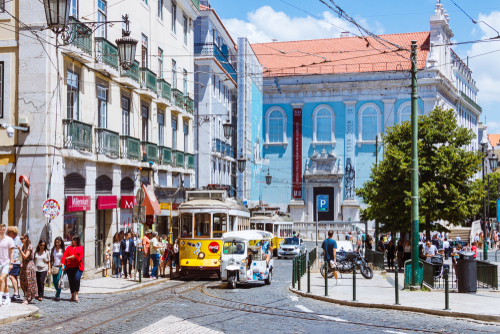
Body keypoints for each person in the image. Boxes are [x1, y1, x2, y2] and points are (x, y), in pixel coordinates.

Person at [61, 236, 84, 302]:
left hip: (78, 267)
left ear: (77, 241)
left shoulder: (80, 247)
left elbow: (77, 256)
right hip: (70, 267)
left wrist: (68, 258)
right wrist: (62, 264)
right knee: (71, 281)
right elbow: (64, 256)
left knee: (76, 279)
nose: (72, 241)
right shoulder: (69, 248)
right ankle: (72, 295)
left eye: (73, 240)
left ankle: (76, 293)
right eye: (71, 240)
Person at [18, 234, 36, 305]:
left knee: (28, 281)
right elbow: (23, 257)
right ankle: (27, 296)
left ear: (26, 239)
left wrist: (20, 250)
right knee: (23, 281)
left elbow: (25, 256)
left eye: (22, 239)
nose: (21, 240)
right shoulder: (23, 246)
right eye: (20, 239)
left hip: (29, 265)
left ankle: (28, 298)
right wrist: (20, 261)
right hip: (24, 265)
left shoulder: (29, 246)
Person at [0, 224, 15, 305]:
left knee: (1, 279)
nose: (1, 231)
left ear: (4, 230)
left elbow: (12, 252)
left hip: (6, 262)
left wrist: (11, 263)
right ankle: (7, 298)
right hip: (0, 262)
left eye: (2, 229)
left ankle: (0, 298)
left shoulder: (9, 239)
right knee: (4, 281)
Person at [6, 226, 21, 302]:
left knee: (11, 276)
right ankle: (16, 293)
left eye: (9, 232)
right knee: (14, 277)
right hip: (10, 261)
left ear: (13, 232)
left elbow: (21, 251)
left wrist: (18, 259)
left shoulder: (18, 240)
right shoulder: (9, 240)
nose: (7, 234)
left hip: (16, 261)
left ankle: (16, 293)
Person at [51, 236, 65, 301]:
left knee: (59, 280)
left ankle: (58, 295)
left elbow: (64, 258)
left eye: (59, 242)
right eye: (56, 242)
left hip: (60, 266)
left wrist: (62, 265)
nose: (57, 243)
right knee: (54, 281)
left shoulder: (62, 250)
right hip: (54, 266)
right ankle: (57, 292)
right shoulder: (53, 249)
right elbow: (51, 258)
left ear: (61, 242)